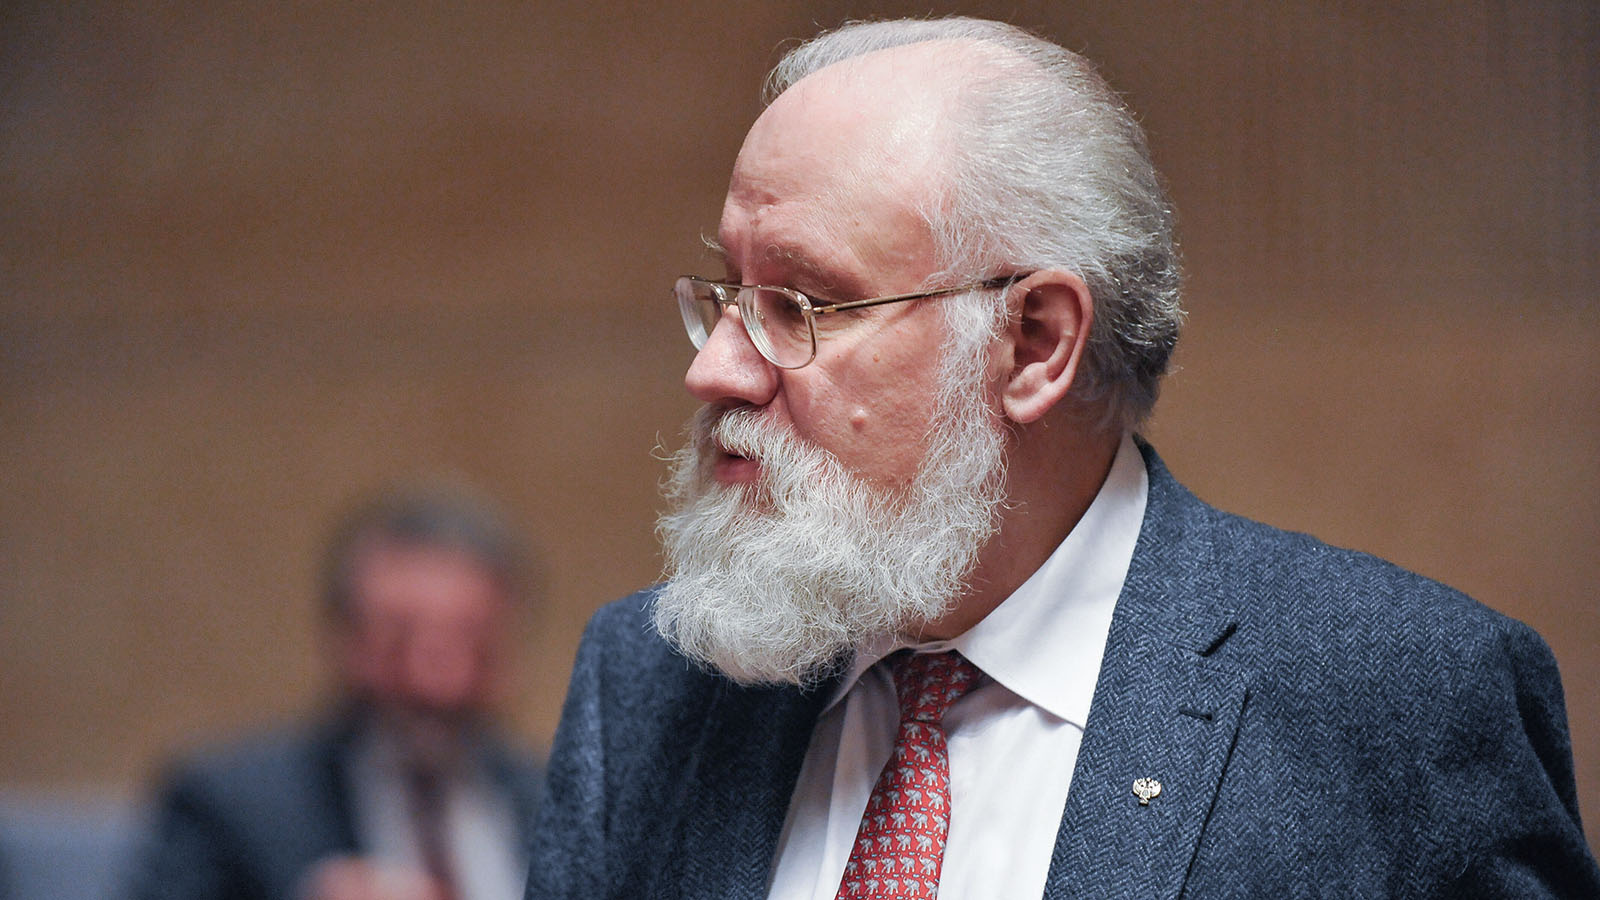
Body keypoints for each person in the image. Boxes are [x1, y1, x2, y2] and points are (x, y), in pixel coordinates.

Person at [525, 15, 1600, 900]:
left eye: (800, 305)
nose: (714, 369)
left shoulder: (1396, 697)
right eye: (728, 294)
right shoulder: (650, 685)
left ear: (1034, 343)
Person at [130, 482, 542, 900]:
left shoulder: (563, 805)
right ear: (343, 638)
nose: (432, 683)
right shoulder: (228, 805)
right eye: (396, 643)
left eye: (472, 645)